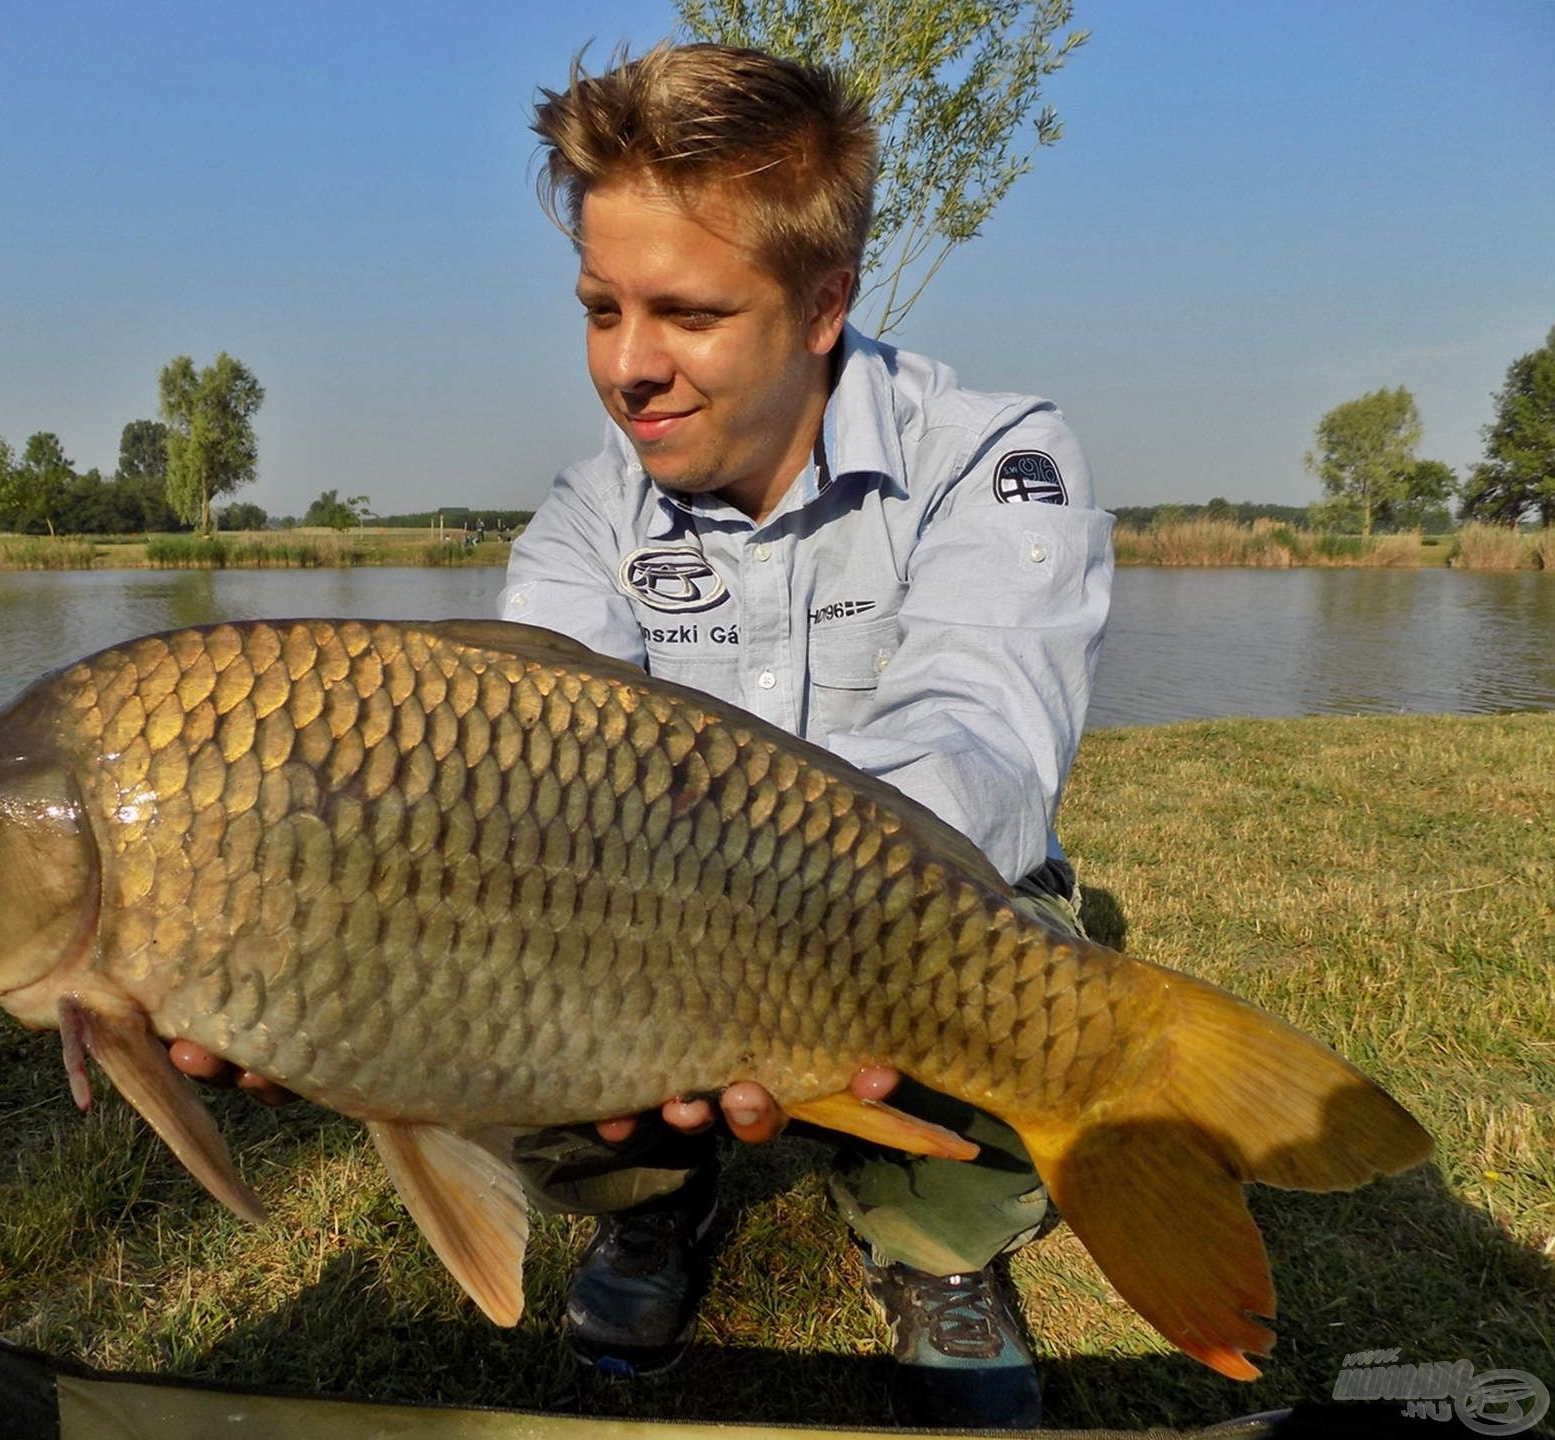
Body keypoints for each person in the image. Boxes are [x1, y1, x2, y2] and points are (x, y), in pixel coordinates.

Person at [174, 41, 1111, 1431]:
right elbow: (505, 787)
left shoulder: (993, 454)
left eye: (684, 313)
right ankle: (649, 1213)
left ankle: (934, 1248)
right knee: (504, 925)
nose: (627, 366)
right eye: (600, 307)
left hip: (889, 893)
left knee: (1015, 927)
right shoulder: (585, 519)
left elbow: (981, 734)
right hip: (654, 926)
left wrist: (783, 949)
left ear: (822, 303)